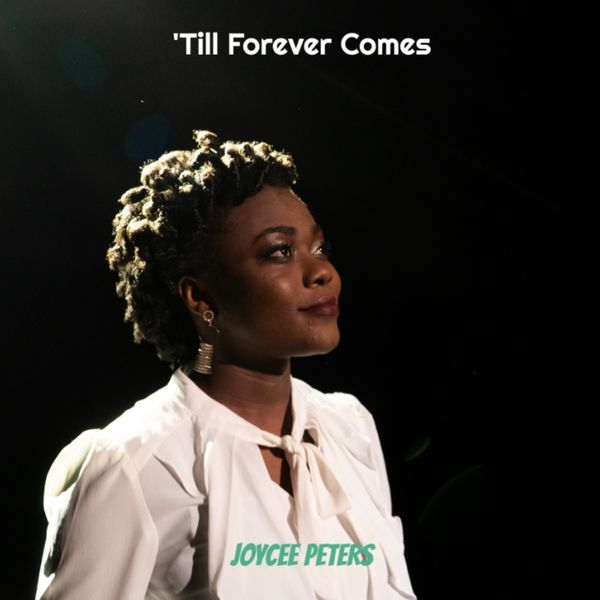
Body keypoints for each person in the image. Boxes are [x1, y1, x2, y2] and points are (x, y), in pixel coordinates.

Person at [35, 130, 418, 599]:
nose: (321, 272)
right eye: (279, 251)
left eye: (320, 249)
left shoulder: (350, 428)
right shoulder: (135, 464)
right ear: (200, 297)